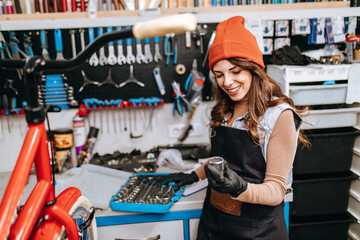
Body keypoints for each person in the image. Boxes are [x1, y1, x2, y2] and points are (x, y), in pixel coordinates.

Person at [159, 16, 309, 240]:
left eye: (235, 71)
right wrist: (193, 176)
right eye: (219, 75)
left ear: (253, 69)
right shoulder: (225, 110)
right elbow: (222, 161)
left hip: (257, 231)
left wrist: (240, 188)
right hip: (215, 224)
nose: (227, 82)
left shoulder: (278, 115)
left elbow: (276, 191)